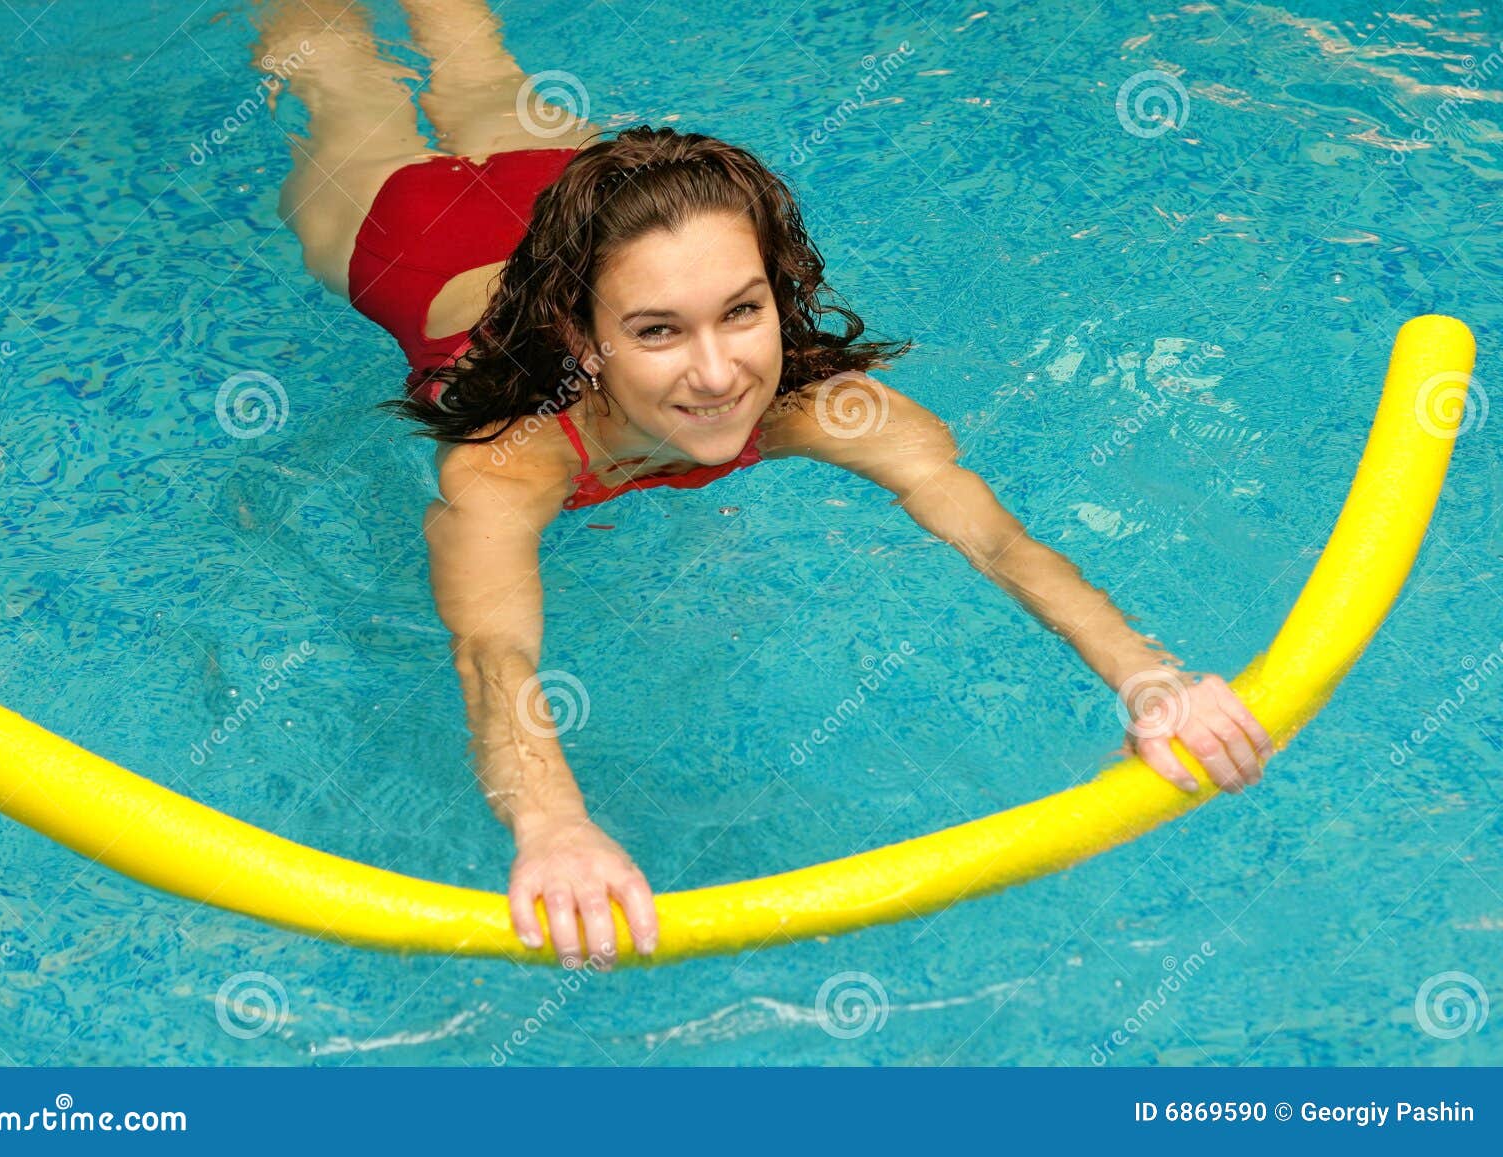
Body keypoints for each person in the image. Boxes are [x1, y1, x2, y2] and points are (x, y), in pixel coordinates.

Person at [254, 0, 1273, 971]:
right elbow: (495, 646)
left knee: (471, 52)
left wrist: (1150, 677)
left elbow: (997, 539)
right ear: (582, 337)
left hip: (564, 185)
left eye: (740, 312)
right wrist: (552, 818)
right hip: (407, 235)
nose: (717, 371)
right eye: (658, 331)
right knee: (338, 69)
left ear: (772, 294)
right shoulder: (510, 457)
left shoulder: (820, 400)